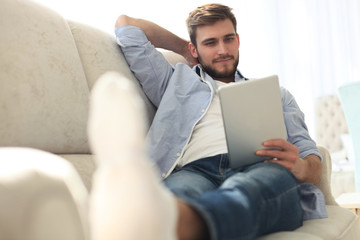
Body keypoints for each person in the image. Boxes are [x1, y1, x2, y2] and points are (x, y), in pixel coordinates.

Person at [89, 3, 327, 240]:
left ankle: (177, 225)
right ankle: (167, 216)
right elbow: (126, 26)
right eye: (210, 43)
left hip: (260, 168)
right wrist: (184, 47)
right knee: (177, 195)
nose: (223, 49)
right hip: (195, 170)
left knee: (261, 185)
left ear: (238, 40)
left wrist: (302, 167)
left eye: (228, 39)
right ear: (195, 49)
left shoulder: (277, 93)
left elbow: (311, 159)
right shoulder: (174, 82)